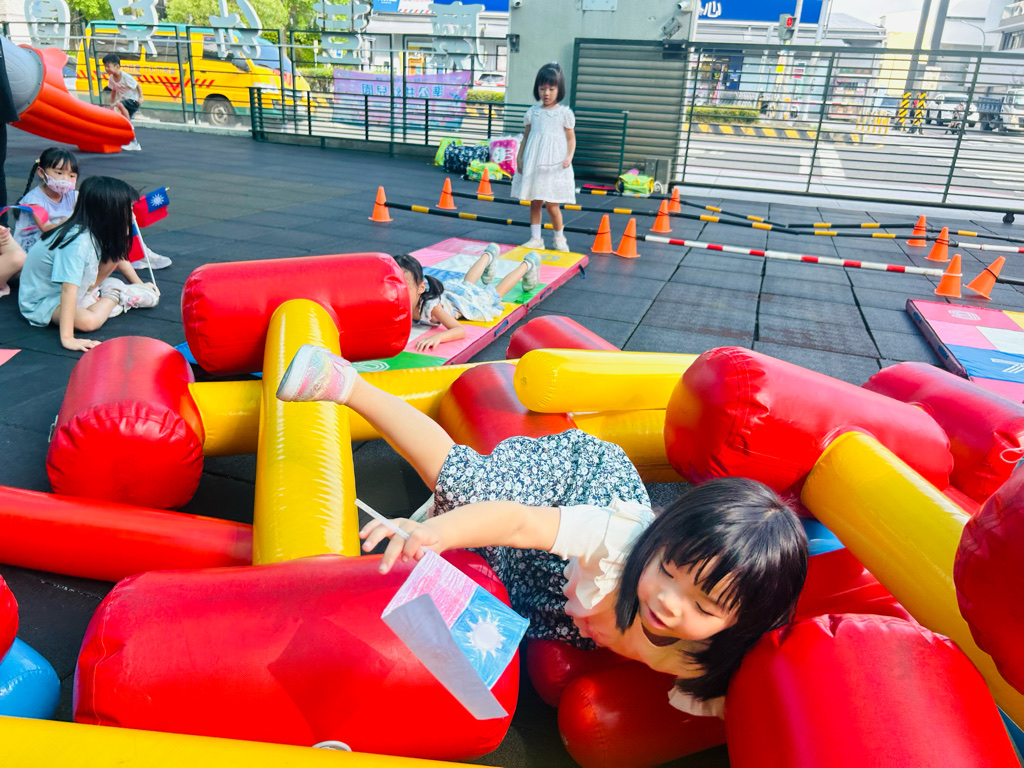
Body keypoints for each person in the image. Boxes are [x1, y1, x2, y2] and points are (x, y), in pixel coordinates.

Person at [276, 345, 809, 718]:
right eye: (668, 572)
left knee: (508, 600)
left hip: (568, 592)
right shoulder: (620, 543)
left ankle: (440, 519)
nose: (670, 603)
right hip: (576, 485)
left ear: (737, 623)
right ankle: (348, 385)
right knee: (468, 485)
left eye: (703, 607)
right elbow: (518, 520)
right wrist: (438, 532)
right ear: (659, 541)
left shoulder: (713, 662)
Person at [18, 176, 160, 352]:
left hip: (77, 288)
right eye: (129, 209)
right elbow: (68, 289)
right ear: (109, 211)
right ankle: (117, 293)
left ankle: (110, 292)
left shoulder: (94, 229)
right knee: (88, 321)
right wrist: (68, 338)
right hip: (44, 299)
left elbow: (119, 257)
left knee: (116, 249)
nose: (133, 216)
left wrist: (140, 284)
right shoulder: (76, 242)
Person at [13, 147, 171, 269]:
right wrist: (77, 220)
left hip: (61, 241)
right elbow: (46, 229)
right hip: (36, 248)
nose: (65, 179)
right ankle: (126, 259)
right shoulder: (34, 200)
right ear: (41, 173)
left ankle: (136, 255)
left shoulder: (71, 195)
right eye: (59, 173)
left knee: (107, 233)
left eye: (71, 176)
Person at [395, 247, 540, 352]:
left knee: (495, 294)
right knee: (467, 284)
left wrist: (438, 337)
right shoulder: (393, 302)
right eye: (393, 287)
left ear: (421, 287)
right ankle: (488, 255)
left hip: (463, 301)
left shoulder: (430, 307)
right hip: (452, 292)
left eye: (405, 287)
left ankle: (527, 264)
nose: (398, 293)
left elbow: (459, 330)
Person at [512, 62, 576, 253]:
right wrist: (519, 158)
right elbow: (525, 137)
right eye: (542, 89)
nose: (546, 93)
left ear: (559, 89)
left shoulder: (564, 114)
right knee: (535, 201)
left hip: (553, 164)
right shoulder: (533, 113)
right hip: (534, 162)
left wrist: (569, 156)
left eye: (551, 89)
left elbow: (571, 139)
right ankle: (536, 238)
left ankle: (559, 237)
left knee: (552, 204)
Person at [102, 53, 142, 151]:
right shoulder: (111, 79)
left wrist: (141, 98)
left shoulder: (125, 77)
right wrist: (111, 104)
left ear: (117, 67)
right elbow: (113, 91)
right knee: (121, 116)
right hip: (124, 103)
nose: (106, 69)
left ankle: (127, 122)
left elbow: (137, 85)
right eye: (105, 66)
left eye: (108, 66)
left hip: (133, 101)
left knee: (119, 104)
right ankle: (134, 143)